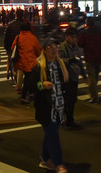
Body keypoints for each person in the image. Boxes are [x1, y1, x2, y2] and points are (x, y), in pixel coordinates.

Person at [32, 38, 69, 173]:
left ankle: (44, 158)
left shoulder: (61, 65)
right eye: (50, 47)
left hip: (59, 107)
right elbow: (29, 86)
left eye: (56, 47)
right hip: (46, 109)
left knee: (50, 135)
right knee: (53, 136)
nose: (54, 49)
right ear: (44, 50)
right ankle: (59, 164)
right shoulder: (38, 66)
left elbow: (67, 86)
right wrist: (42, 85)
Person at [58, 27, 85, 129]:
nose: (74, 39)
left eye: (75, 37)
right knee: (68, 100)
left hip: (74, 77)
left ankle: (66, 117)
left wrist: (84, 75)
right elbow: (60, 60)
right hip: (67, 77)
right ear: (67, 37)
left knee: (72, 100)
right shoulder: (63, 47)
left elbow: (80, 62)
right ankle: (69, 120)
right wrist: (70, 59)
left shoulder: (75, 47)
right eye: (72, 37)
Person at [77, 18, 101, 103]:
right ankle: (94, 92)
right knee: (95, 76)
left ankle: (94, 96)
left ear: (87, 24)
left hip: (89, 57)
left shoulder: (84, 33)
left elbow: (80, 44)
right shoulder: (100, 32)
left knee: (91, 77)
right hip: (98, 57)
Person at [12, 22, 42, 103]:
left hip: (21, 62)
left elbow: (13, 48)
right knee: (29, 79)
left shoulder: (18, 37)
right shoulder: (33, 38)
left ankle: (28, 94)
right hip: (31, 62)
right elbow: (38, 50)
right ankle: (25, 96)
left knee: (27, 78)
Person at [4, 8, 28, 82]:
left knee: (13, 62)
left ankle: (14, 76)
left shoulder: (10, 24)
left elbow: (6, 37)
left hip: (12, 46)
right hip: (23, 46)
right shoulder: (25, 24)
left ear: (16, 15)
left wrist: (6, 48)